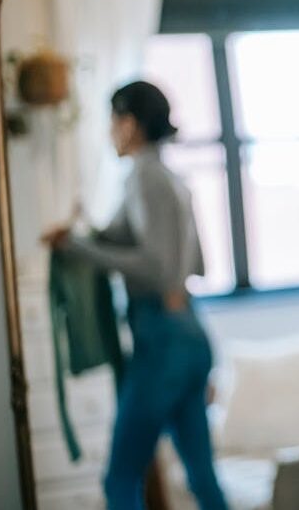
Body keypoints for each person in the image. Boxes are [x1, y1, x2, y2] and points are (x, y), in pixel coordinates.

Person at [42, 81, 228, 509]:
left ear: (130, 125)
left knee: (121, 480)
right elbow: (192, 262)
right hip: (189, 333)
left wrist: (76, 247)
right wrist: (84, 233)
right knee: (202, 479)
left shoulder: (144, 176)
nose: (109, 132)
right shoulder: (169, 177)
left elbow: (157, 267)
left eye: (112, 121)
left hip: (162, 341)